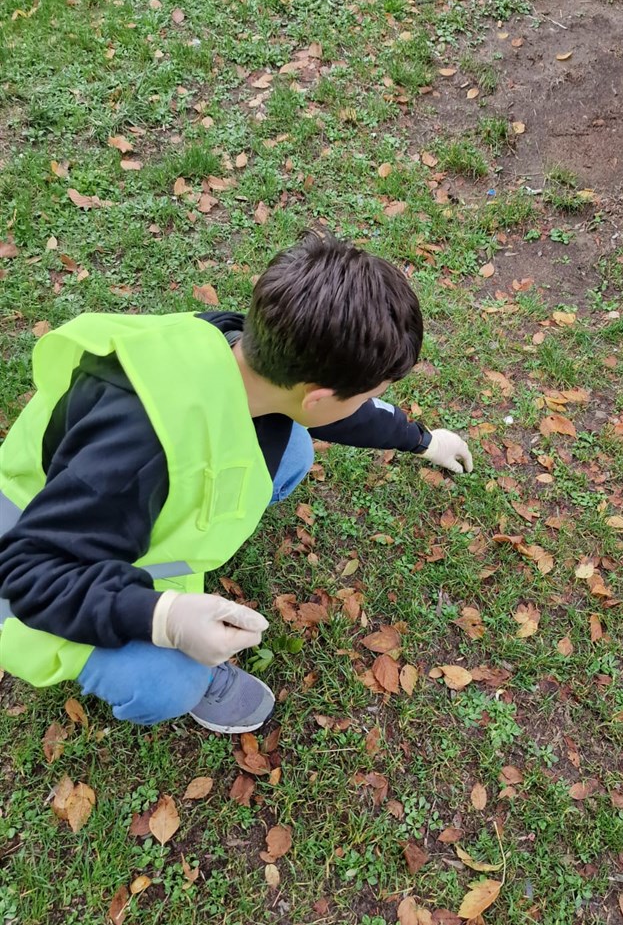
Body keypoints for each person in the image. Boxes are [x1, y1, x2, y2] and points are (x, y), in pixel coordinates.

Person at [0, 232, 473, 734]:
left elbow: (334, 414)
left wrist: (422, 441)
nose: (362, 404)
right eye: (365, 395)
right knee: (170, 681)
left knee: (291, 450)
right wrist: (166, 617)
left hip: (107, 510)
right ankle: (172, 674)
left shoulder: (240, 346)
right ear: (318, 396)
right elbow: (28, 574)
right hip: (34, 553)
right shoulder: (135, 452)